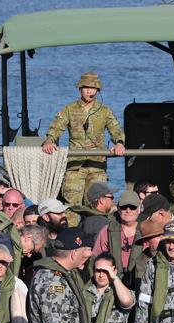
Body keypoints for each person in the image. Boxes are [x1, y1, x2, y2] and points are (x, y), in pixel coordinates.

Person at [42, 73, 125, 225]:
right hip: (75, 166)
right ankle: (71, 238)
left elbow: (116, 129)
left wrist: (119, 143)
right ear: (80, 89)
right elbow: (56, 127)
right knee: (72, 206)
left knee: (98, 206)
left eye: (93, 88)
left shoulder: (104, 111)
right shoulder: (69, 109)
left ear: (98, 90)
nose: (89, 91)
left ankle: (97, 237)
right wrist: (49, 140)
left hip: (97, 165)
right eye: (86, 87)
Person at [92, 191, 142, 285]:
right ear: (118, 209)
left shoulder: (146, 231)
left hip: (139, 282)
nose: (128, 210)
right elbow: (95, 258)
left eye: (132, 207)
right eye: (124, 207)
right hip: (112, 282)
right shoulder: (107, 230)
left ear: (139, 209)